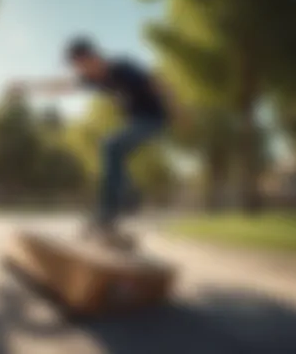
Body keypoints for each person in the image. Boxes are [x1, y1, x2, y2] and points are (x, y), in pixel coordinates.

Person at [12, 37, 176, 249]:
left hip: (154, 120)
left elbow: (158, 84)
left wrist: (176, 110)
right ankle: (130, 196)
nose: (81, 71)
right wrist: (27, 87)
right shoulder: (93, 79)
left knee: (110, 146)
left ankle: (108, 214)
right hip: (137, 121)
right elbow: (61, 86)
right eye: (76, 67)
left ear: (92, 57)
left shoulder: (123, 67)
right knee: (114, 153)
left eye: (80, 65)